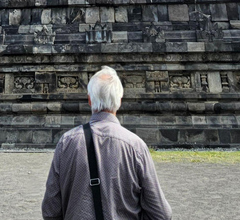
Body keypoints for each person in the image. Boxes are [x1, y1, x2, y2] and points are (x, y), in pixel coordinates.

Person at [42, 67, 172, 220]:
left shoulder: (66, 143)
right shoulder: (135, 147)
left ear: (90, 100)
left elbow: (50, 211)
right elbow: (161, 214)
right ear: (119, 100)